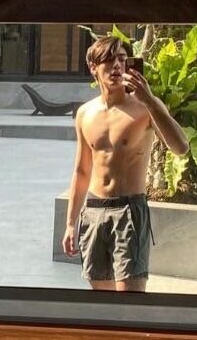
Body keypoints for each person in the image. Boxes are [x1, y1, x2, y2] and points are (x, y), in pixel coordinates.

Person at [62, 35, 189, 292]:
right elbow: (82, 170)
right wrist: (70, 223)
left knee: (130, 301)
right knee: (101, 298)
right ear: (93, 67)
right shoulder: (85, 113)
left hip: (129, 210)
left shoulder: (145, 107)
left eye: (122, 59)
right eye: (109, 60)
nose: (117, 66)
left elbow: (181, 147)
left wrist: (150, 101)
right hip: (94, 210)